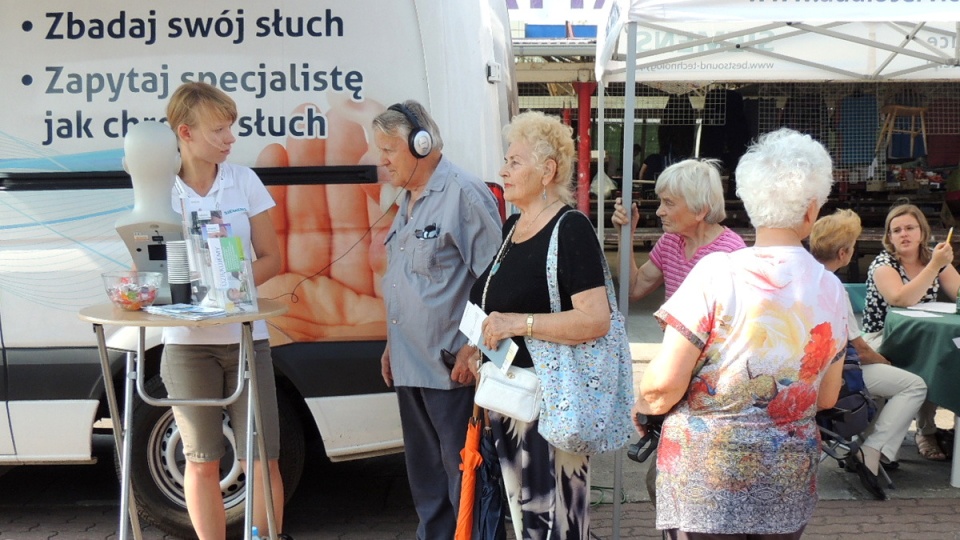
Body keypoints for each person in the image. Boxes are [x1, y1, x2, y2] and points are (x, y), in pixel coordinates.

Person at [633, 128, 847, 538]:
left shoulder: (716, 273)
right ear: (812, 210)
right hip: (785, 477)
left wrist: (644, 404)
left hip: (706, 480)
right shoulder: (830, 288)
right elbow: (826, 396)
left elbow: (661, 387)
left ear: (750, 203)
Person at [468, 111, 612, 539]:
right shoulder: (514, 226)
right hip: (510, 399)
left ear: (547, 170)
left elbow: (595, 318)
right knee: (525, 523)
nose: (502, 171)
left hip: (554, 405)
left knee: (558, 527)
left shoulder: (571, 229)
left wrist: (519, 323)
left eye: (514, 161)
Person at [161, 82, 290, 539]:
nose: (230, 138)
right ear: (186, 132)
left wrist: (229, 288)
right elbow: (150, 266)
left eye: (230, 128)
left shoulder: (244, 181)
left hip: (244, 340)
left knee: (262, 457)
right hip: (185, 347)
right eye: (219, 129)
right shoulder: (162, 189)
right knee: (200, 462)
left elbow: (273, 257)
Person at [373, 100, 502, 539]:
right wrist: (392, 345)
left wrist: (475, 347)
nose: (383, 160)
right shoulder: (407, 200)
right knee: (426, 481)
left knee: (462, 477)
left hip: (453, 369)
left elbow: (494, 278)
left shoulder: (464, 194)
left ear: (421, 145)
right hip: (411, 364)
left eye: (390, 149)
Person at [810, 209, 927, 499]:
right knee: (914, 384)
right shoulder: (833, 287)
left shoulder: (799, 279)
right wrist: (886, 360)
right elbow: (859, 349)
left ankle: (875, 451)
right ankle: (872, 451)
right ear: (844, 253)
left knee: (887, 381)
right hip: (834, 380)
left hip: (801, 378)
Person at [860, 203, 960, 461]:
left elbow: (958, 292)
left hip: (922, 336)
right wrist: (934, 266)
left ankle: (933, 429)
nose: (904, 234)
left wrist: (939, 265)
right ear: (889, 237)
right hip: (882, 338)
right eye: (897, 230)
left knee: (941, 357)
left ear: (922, 232)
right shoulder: (883, 263)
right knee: (926, 361)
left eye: (910, 228)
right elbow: (900, 299)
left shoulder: (933, 259)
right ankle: (925, 431)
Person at [612, 158, 746, 302]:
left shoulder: (732, 254)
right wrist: (625, 235)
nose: (659, 212)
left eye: (668, 203)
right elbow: (633, 290)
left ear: (700, 210)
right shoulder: (671, 240)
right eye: (660, 202)